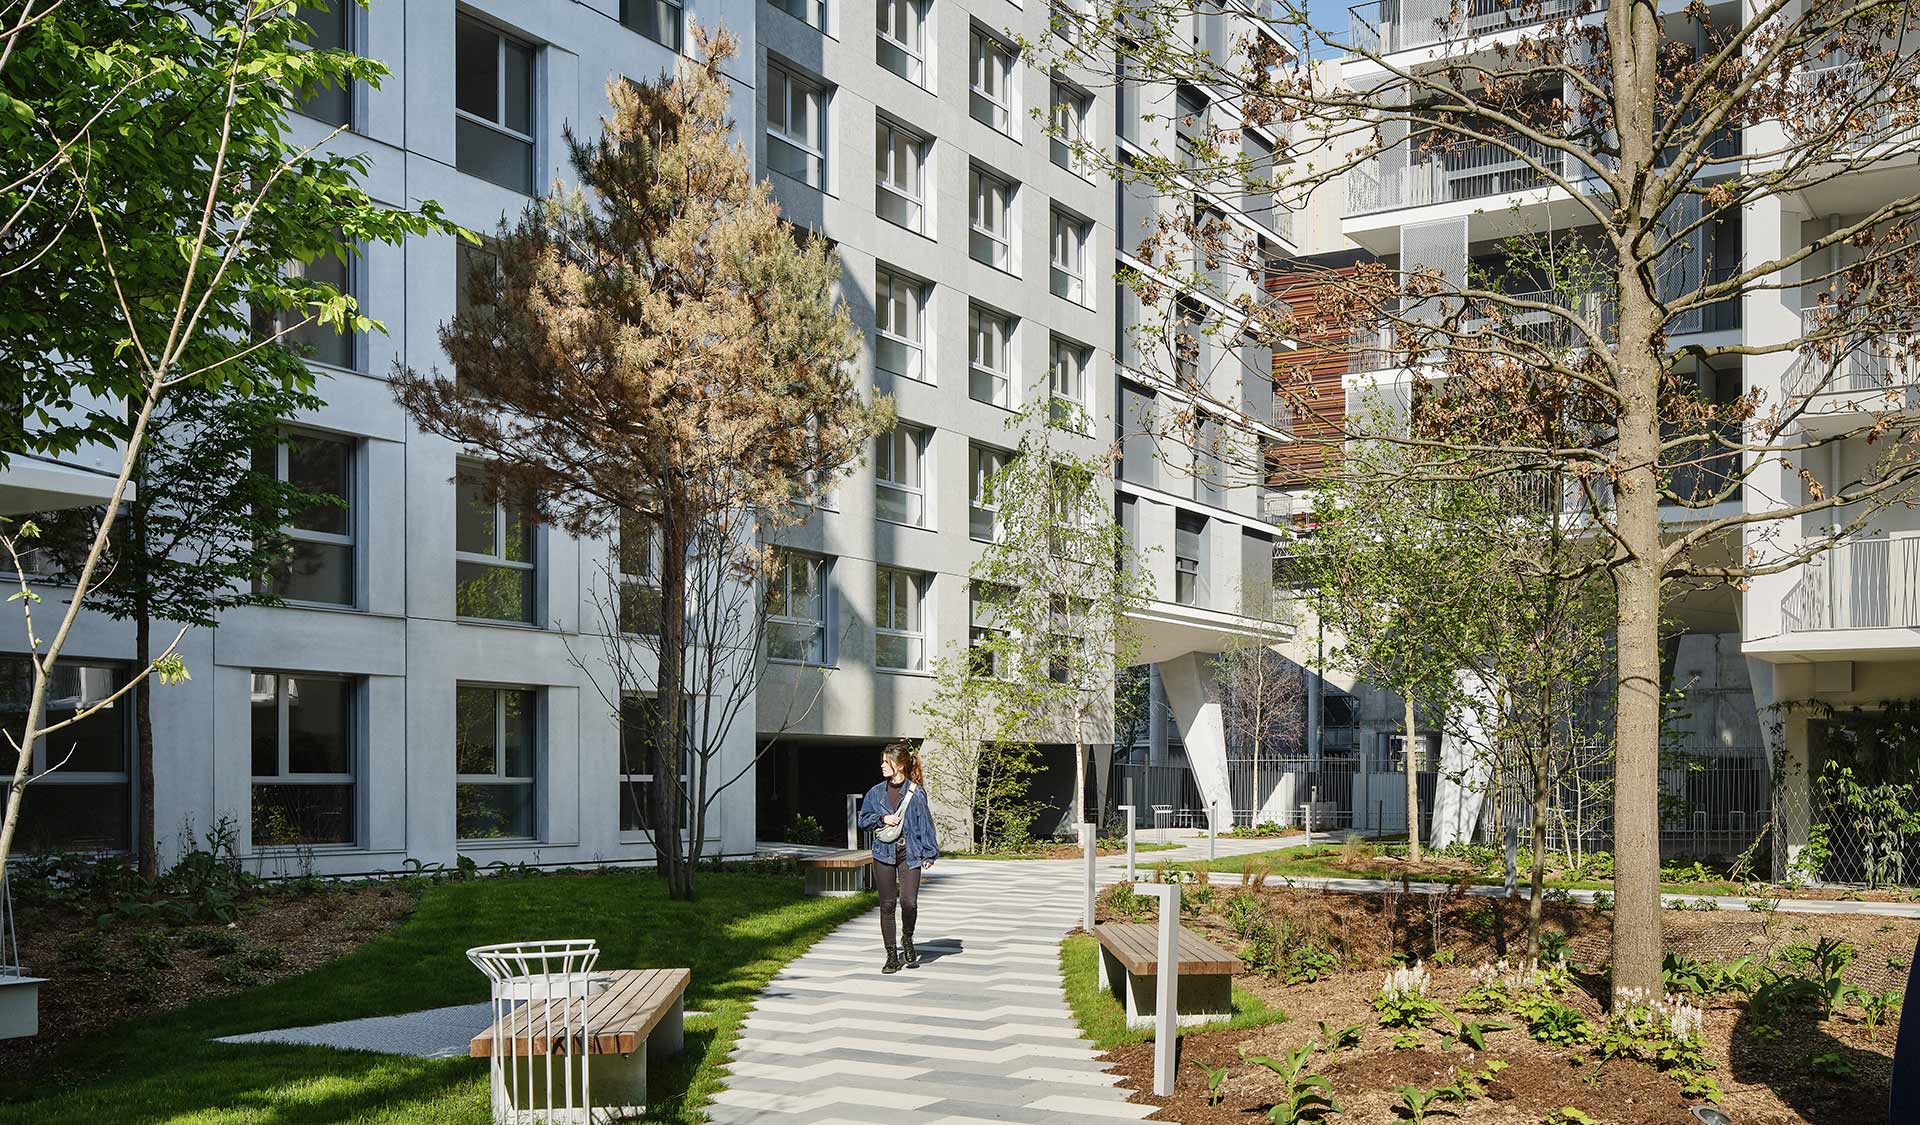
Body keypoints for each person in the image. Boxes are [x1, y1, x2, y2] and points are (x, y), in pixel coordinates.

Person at [857, 742, 939, 973]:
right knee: (887, 904)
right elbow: (864, 821)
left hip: (910, 852)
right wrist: (883, 818)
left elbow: (926, 823)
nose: (882, 766)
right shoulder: (875, 792)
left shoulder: (916, 793)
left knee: (909, 902)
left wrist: (929, 852)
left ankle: (908, 939)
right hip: (883, 852)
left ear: (900, 765)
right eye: (882, 761)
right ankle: (891, 955)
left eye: (887, 762)